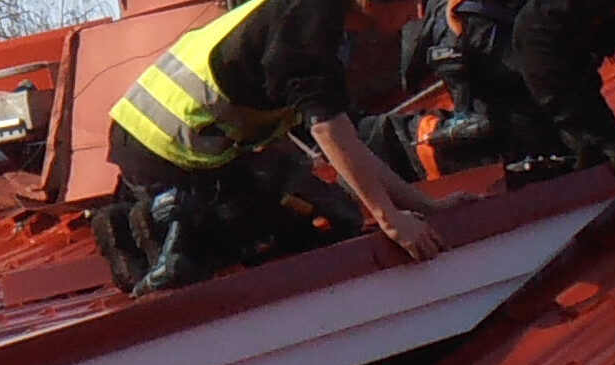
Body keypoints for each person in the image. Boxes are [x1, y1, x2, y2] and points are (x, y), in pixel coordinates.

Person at [94, 0, 476, 296]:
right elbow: (329, 131)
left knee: (330, 212)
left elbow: (348, 144)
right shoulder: (310, 25)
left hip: (179, 143)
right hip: (166, 152)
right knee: (261, 237)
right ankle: (164, 224)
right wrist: (390, 219)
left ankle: (175, 221)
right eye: (409, 3)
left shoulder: (317, 19)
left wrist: (423, 207)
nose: (415, 14)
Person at [361, 0, 615, 182]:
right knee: (535, 156)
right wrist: (589, 132)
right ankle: (388, 144)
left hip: (534, 33)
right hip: (480, 25)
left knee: (574, 152)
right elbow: (537, 38)